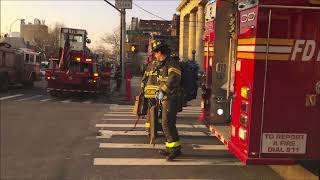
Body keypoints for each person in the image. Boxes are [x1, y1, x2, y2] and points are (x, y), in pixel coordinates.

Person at [152, 42, 182, 161]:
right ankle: (171, 147)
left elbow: (173, 78)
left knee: (167, 123)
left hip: (171, 98)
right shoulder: (164, 64)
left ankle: (174, 150)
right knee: (166, 123)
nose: (155, 56)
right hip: (167, 98)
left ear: (160, 52)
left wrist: (163, 92)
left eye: (155, 53)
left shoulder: (172, 63)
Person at [140, 53, 160, 137]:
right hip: (159, 93)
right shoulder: (163, 65)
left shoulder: (149, 65)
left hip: (149, 92)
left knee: (150, 111)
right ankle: (156, 128)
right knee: (159, 112)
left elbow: (144, 79)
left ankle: (149, 130)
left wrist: (142, 90)